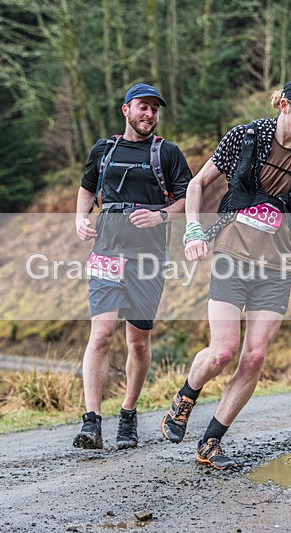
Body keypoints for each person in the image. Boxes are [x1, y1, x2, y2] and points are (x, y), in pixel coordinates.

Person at [159, 77, 291, 470]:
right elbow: (197, 184)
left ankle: (211, 441)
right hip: (231, 256)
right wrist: (192, 229)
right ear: (283, 106)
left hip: (277, 267)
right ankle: (187, 394)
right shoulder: (246, 137)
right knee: (223, 351)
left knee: (255, 356)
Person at [73, 83, 192, 449]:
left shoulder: (167, 153)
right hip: (107, 251)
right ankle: (91, 421)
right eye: (143, 106)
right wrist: (80, 218)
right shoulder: (104, 150)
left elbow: (189, 198)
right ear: (126, 110)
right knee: (102, 333)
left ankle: (128, 414)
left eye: (155, 109)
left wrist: (161, 216)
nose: (149, 114)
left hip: (148, 259)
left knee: (137, 342)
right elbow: (87, 187)